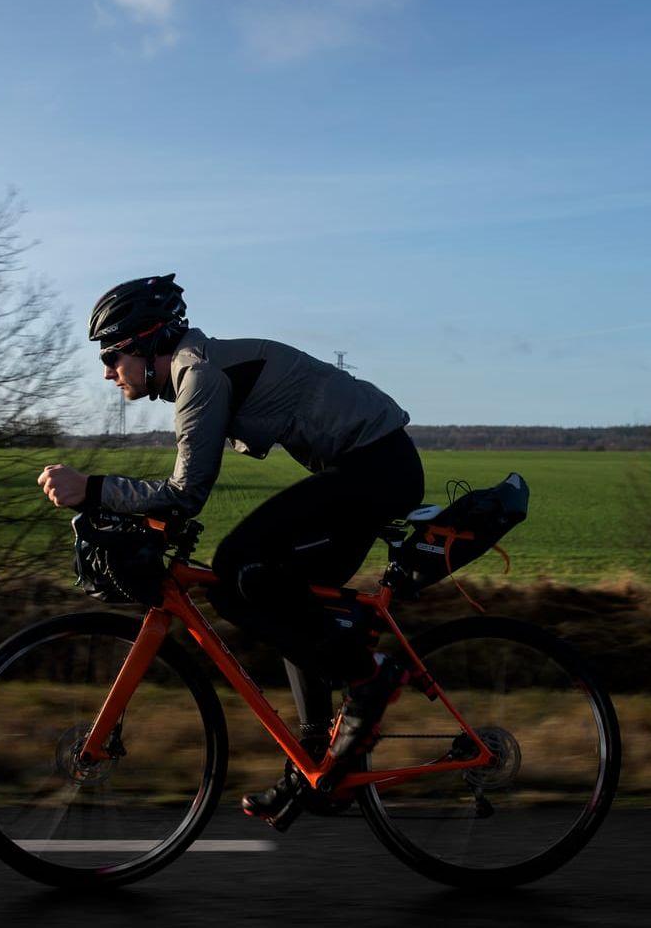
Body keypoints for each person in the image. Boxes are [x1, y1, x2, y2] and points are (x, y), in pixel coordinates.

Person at [38, 273, 424, 822]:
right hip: (368, 468)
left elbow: (184, 493)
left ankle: (369, 677)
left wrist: (93, 488)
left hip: (376, 470)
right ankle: (318, 766)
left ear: (148, 341)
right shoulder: (199, 368)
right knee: (285, 599)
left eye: (111, 354)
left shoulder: (199, 374)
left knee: (238, 573)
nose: (105, 371)